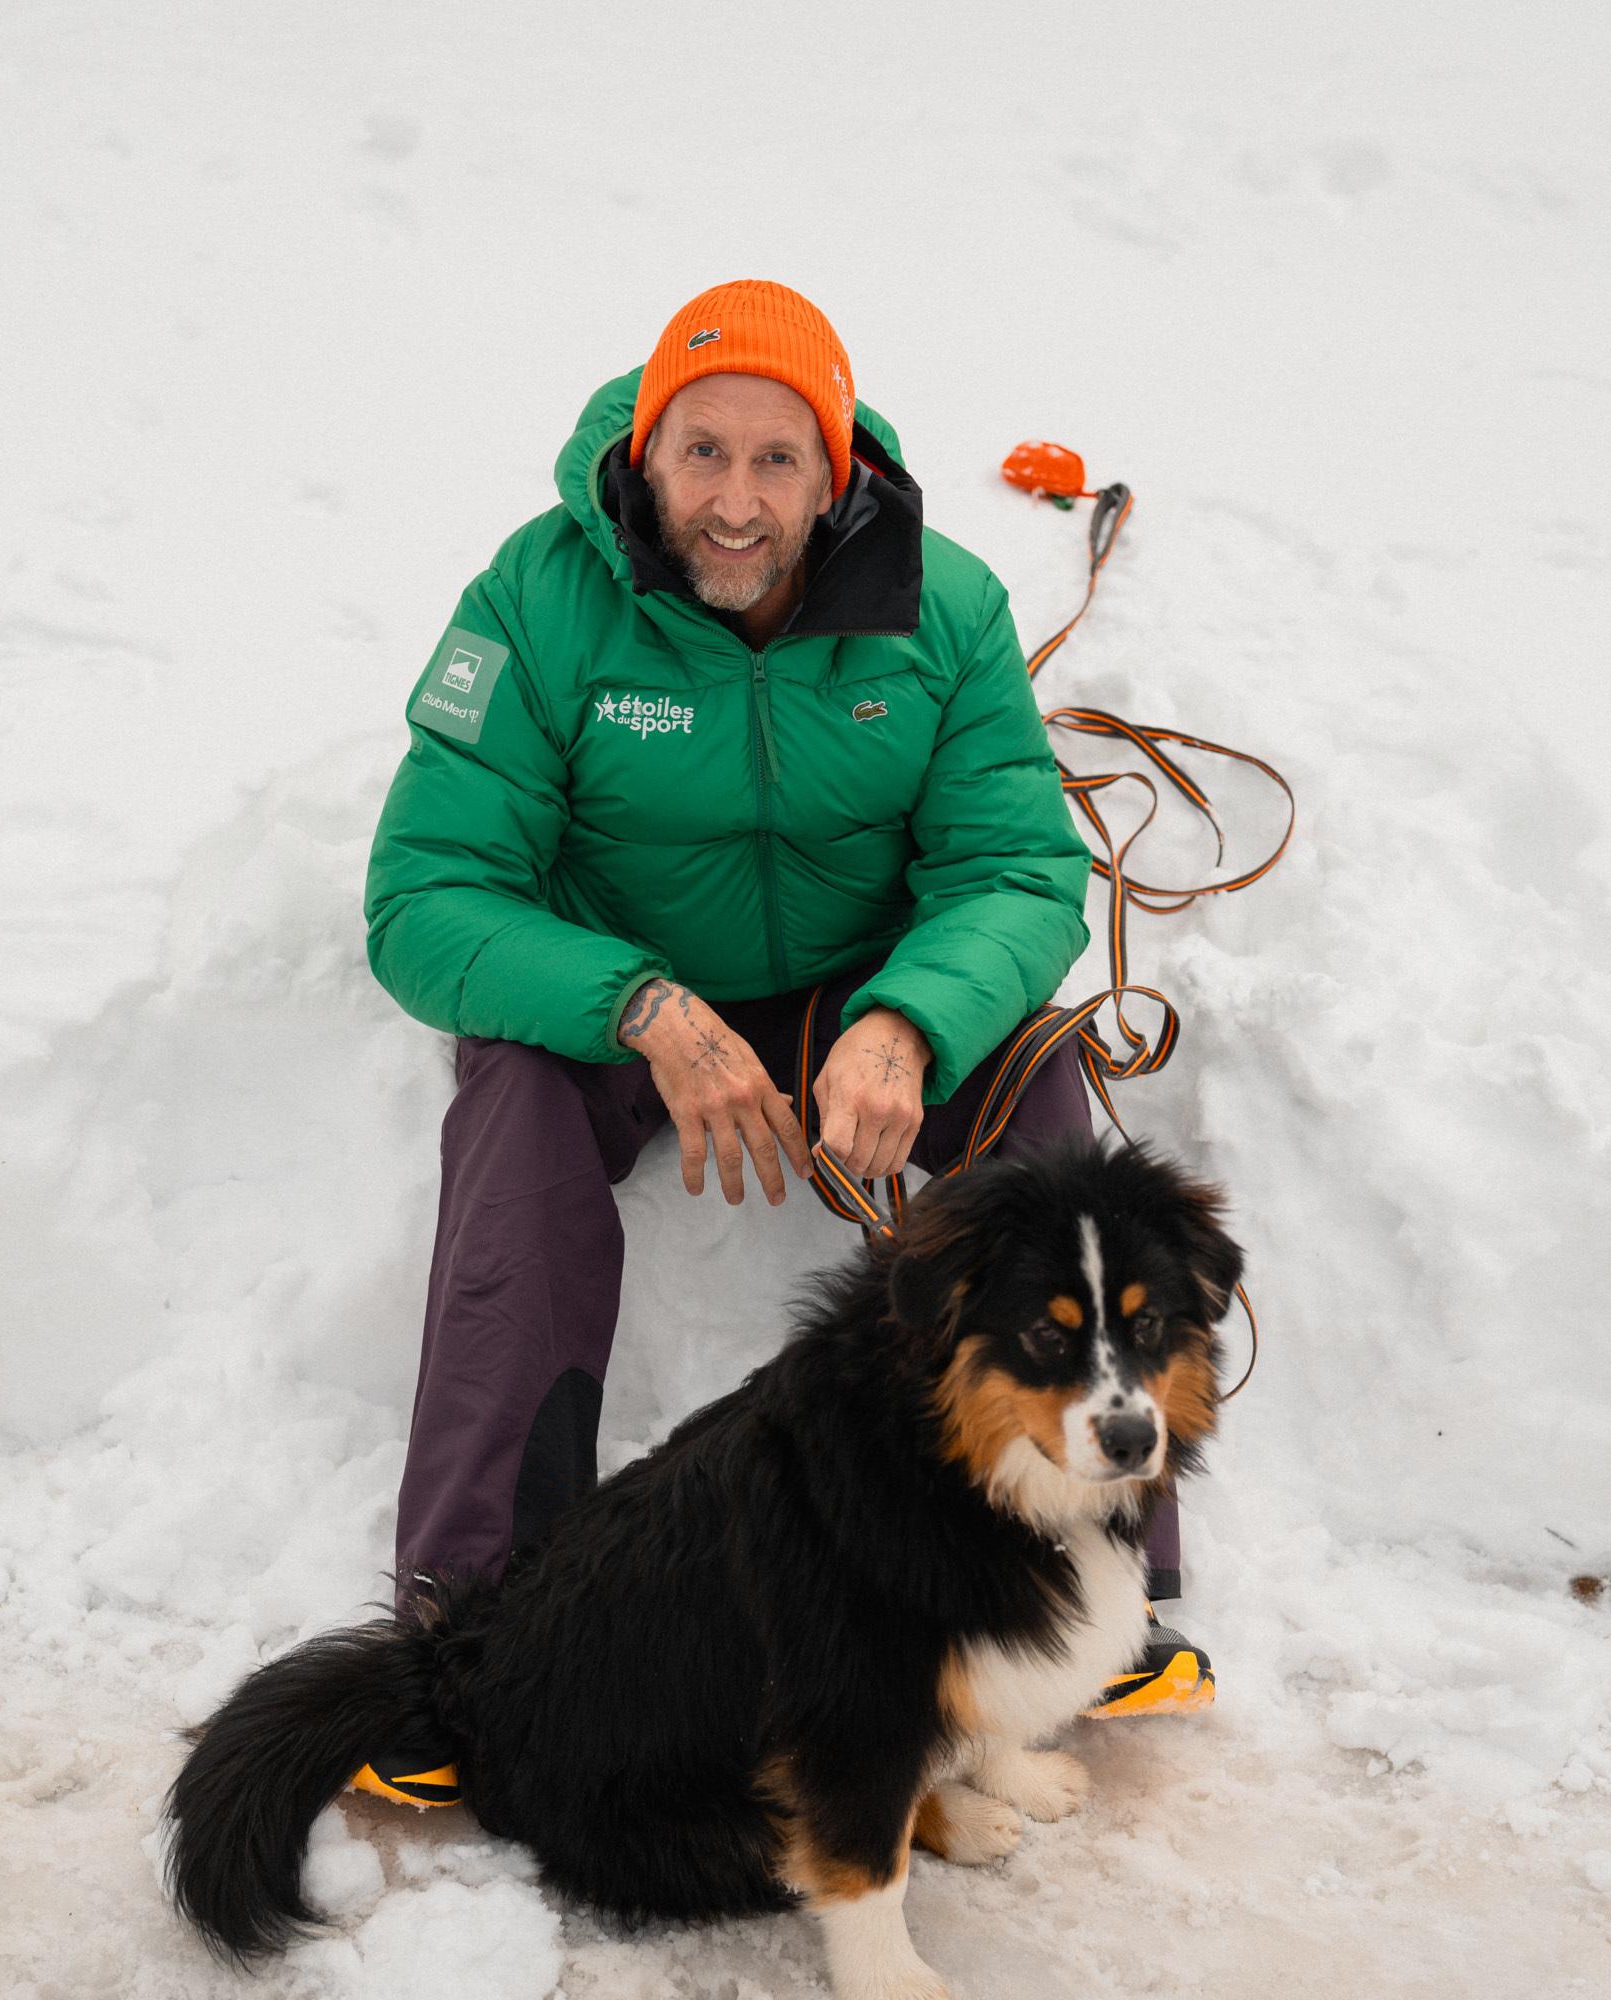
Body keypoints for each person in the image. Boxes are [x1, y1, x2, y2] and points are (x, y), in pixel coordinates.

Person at [356, 282, 1208, 1802]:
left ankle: (1105, 1561)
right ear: (643, 455)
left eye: (775, 461)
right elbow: (427, 895)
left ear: (836, 474)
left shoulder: (943, 609)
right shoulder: (535, 601)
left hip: (854, 986)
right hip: (619, 985)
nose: (736, 503)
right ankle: (471, 1612)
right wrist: (640, 1005)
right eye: (701, 455)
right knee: (515, 1116)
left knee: (1040, 1085)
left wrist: (909, 1018)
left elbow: (1015, 874)